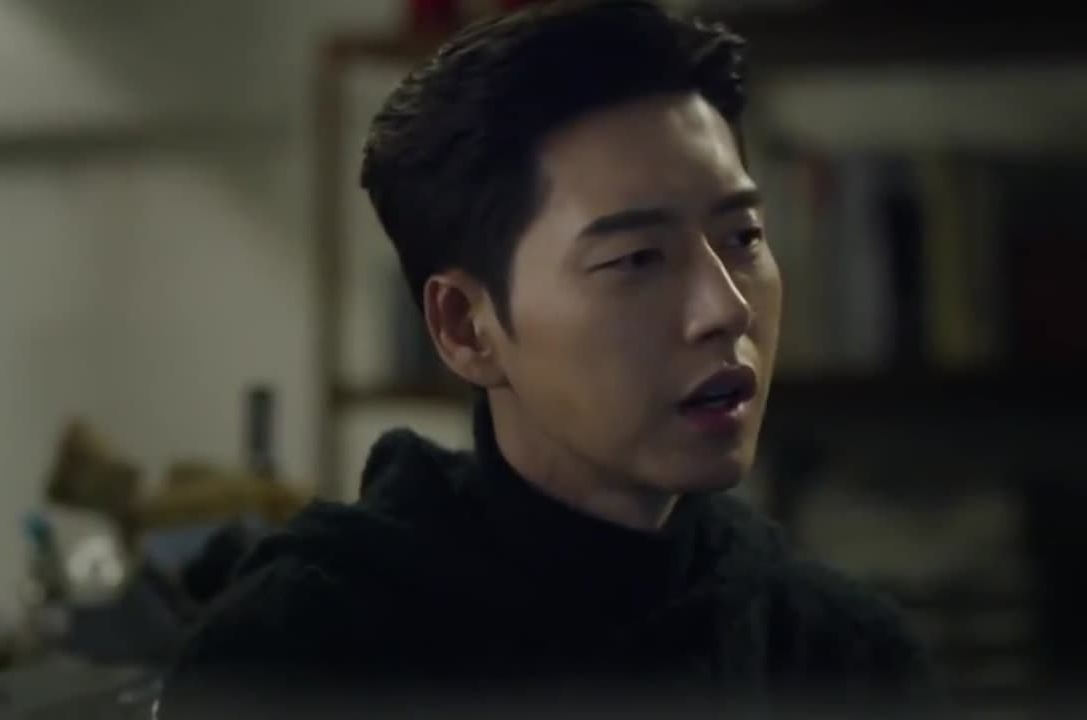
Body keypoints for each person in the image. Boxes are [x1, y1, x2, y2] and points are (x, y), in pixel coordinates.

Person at [159, 1, 950, 717]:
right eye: (638, 259)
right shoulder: (298, 658)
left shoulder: (842, 660)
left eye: (742, 238)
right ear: (467, 328)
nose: (727, 309)